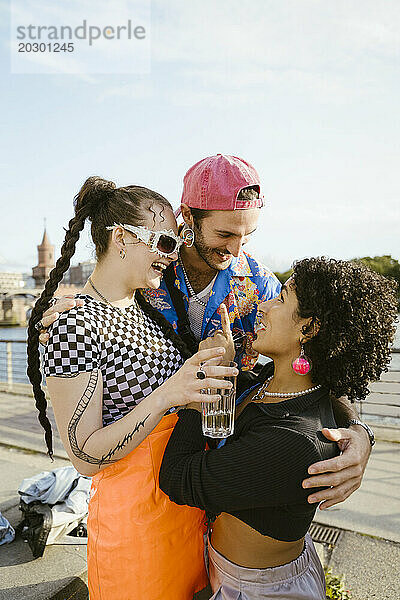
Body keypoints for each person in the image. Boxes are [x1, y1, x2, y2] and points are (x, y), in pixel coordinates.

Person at [39, 154, 373, 511]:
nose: (236, 249)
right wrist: (60, 315)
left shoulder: (258, 283)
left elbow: (315, 356)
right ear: (188, 217)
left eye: (247, 235)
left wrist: (359, 432)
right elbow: (101, 306)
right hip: (143, 483)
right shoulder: (148, 265)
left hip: (226, 473)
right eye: (225, 233)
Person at [27, 176, 239, 599]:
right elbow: (85, 456)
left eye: (177, 242)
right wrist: (168, 395)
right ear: (121, 238)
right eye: (163, 243)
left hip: (181, 513)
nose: (173, 254)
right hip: (135, 529)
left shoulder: (144, 310)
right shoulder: (74, 323)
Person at [159, 257, 398, 599]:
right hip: (231, 571)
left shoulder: (294, 443)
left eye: (282, 298)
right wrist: (363, 432)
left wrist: (207, 378)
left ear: (309, 329)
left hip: (259, 589)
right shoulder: (271, 383)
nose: (266, 305)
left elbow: (178, 478)